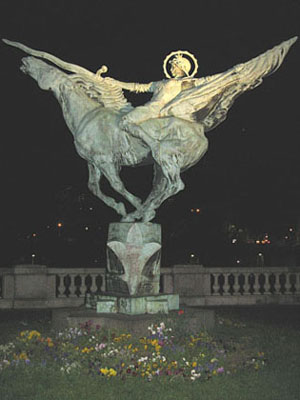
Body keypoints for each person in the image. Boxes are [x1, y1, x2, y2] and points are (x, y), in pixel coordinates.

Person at [103, 54, 197, 148]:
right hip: (150, 108)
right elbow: (138, 87)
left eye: (173, 67)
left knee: (125, 122)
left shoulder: (186, 83)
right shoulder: (161, 83)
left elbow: (203, 84)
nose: (171, 69)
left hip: (154, 110)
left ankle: (152, 144)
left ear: (181, 68)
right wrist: (116, 83)